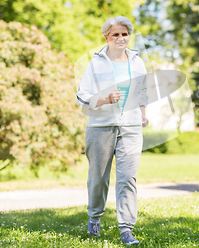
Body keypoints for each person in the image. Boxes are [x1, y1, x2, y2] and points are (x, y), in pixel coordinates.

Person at [76, 16, 149, 245]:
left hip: (131, 126)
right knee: (98, 179)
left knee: (128, 178)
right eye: (115, 34)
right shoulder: (95, 63)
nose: (120, 38)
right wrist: (105, 98)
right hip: (100, 127)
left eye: (124, 34)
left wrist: (143, 113)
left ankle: (126, 229)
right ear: (106, 36)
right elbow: (82, 96)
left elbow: (143, 91)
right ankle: (94, 219)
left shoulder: (137, 62)